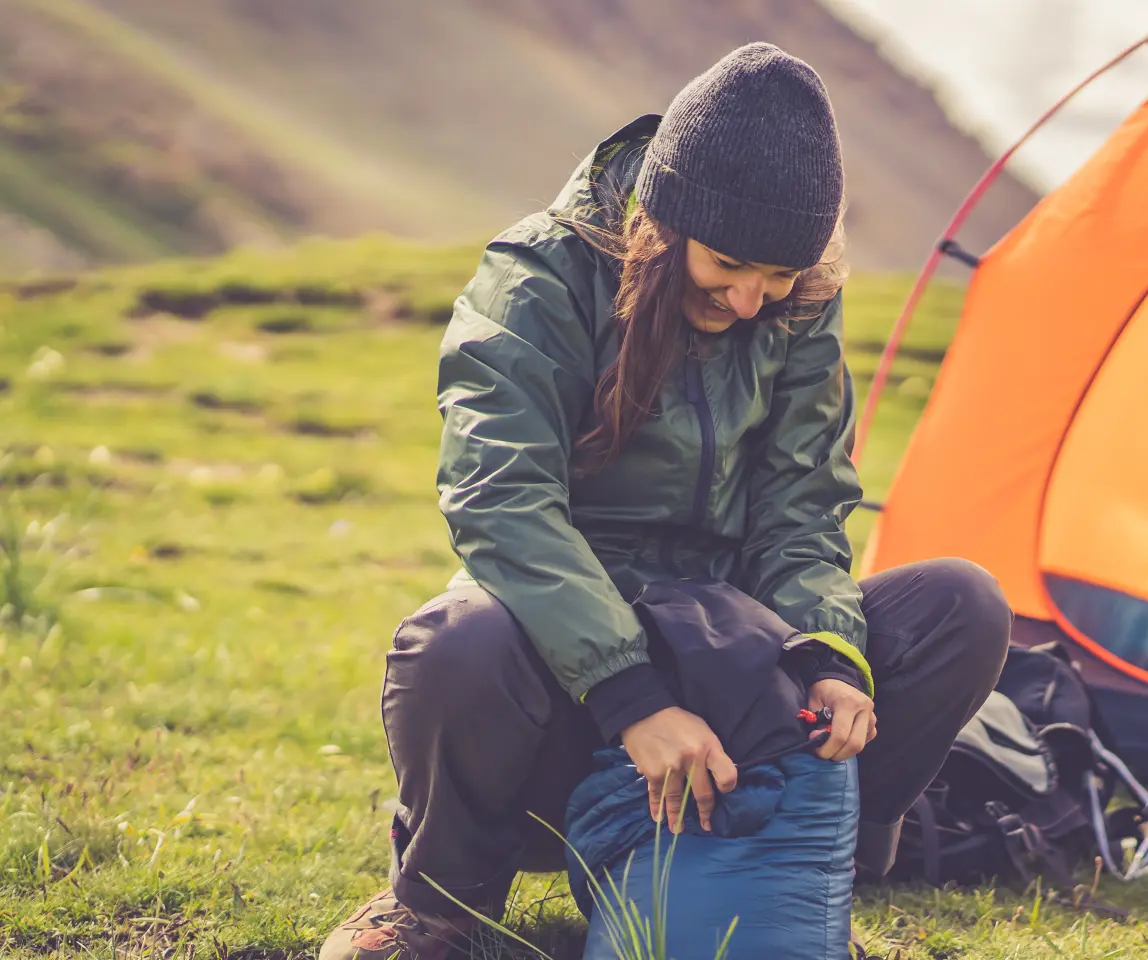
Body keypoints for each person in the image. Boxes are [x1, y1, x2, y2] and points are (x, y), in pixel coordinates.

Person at [321, 42, 1011, 960]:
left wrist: (831, 660)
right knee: (458, 646)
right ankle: (443, 904)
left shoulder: (798, 300)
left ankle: (808, 880)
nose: (753, 299)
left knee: (959, 607)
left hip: (734, 656)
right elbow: (503, 501)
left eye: (778, 274)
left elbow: (800, 515)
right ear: (664, 220)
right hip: (573, 666)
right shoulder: (540, 278)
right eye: (728, 263)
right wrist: (630, 696)